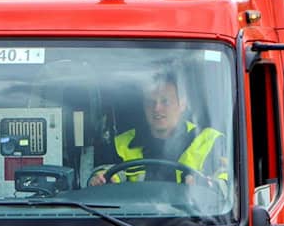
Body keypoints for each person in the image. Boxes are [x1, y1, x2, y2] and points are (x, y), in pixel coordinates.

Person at [88, 71, 226, 187]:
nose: (157, 109)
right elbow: (106, 173)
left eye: (165, 101)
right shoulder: (121, 143)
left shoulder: (210, 140)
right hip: (133, 217)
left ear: (182, 104)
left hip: (193, 218)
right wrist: (99, 179)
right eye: (150, 102)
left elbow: (228, 181)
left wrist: (209, 185)